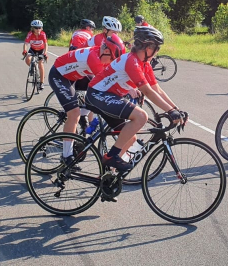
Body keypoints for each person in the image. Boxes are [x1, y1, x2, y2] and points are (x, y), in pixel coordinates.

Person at [85, 26, 186, 172]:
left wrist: (176, 110)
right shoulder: (131, 61)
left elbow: (157, 89)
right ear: (146, 46)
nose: (157, 52)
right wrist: (170, 111)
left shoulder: (144, 64)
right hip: (96, 94)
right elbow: (147, 91)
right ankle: (111, 156)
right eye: (156, 48)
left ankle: (108, 176)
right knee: (141, 116)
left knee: (130, 138)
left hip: (109, 96)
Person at [50, 37, 121, 160]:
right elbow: (105, 83)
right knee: (74, 114)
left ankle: (82, 117)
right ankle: (66, 156)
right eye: (111, 58)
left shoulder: (100, 54)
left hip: (75, 75)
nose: (110, 62)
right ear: (105, 50)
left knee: (92, 95)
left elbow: (114, 74)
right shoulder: (93, 58)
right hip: (59, 75)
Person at [23, 20, 48, 90]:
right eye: (36, 28)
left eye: (39, 27)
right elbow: (26, 43)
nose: (38, 29)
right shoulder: (30, 34)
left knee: (41, 65)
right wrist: (24, 50)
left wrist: (45, 53)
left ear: (42, 28)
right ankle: (34, 67)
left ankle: (41, 82)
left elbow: (46, 44)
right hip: (33, 49)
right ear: (33, 28)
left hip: (40, 50)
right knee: (27, 59)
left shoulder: (43, 34)